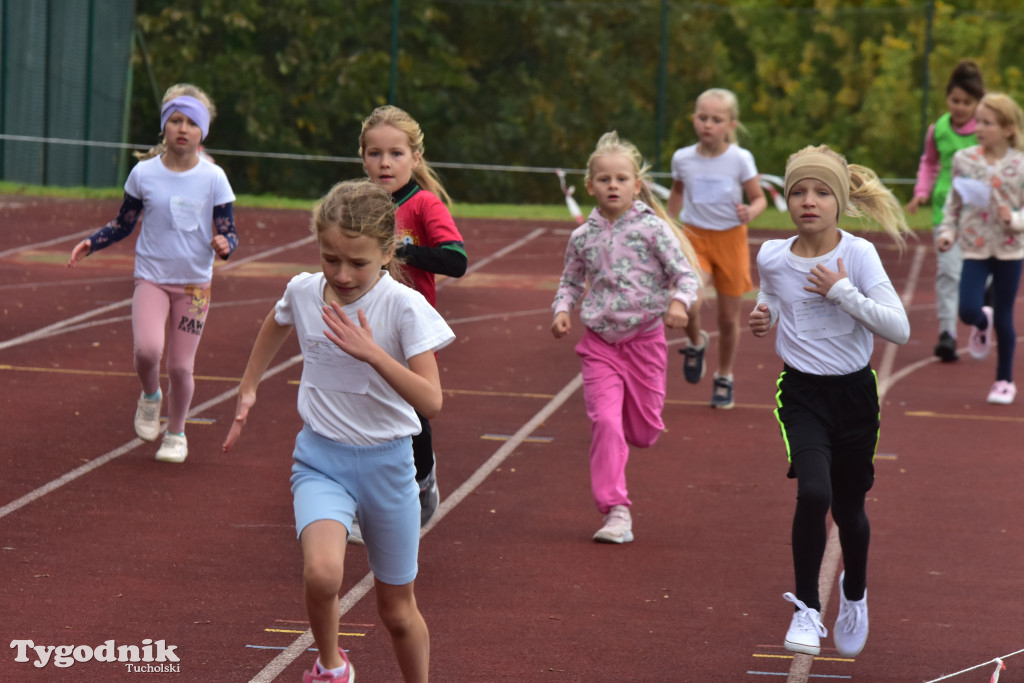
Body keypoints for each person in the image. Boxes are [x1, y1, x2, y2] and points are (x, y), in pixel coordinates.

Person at [223, 179, 454, 683]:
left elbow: (431, 401)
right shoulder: (306, 290)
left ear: (388, 252)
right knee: (322, 573)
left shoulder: (403, 307)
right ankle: (331, 665)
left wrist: (372, 352)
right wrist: (248, 386)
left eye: (358, 263)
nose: (342, 274)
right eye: (331, 259)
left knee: (396, 610)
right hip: (320, 460)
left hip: (390, 466)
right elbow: (277, 320)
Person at [749, 145, 911, 658]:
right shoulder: (772, 255)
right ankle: (806, 610)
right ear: (788, 201)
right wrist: (764, 315)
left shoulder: (858, 255)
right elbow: (773, 295)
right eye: (798, 191)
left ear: (839, 201)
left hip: (855, 395)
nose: (809, 201)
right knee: (813, 493)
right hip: (801, 393)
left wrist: (841, 290)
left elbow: (900, 329)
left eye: (821, 191)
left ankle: (854, 594)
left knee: (849, 510)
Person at [67, 83, 238, 463]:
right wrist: (92, 242)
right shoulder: (144, 173)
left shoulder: (214, 178)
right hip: (152, 278)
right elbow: (125, 223)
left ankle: (176, 433)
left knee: (180, 365)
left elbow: (228, 230)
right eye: (175, 120)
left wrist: (226, 245)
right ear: (164, 126)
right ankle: (149, 396)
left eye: (191, 122)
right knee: (147, 351)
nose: (182, 128)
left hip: (195, 285)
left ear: (202, 132)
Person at [552, 131, 700, 544]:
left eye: (621, 179)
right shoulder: (582, 237)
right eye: (604, 179)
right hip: (599, 343)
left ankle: (633, 442)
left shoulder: (652, 230)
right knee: (605, 422)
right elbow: (569, 281)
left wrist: (679, 305)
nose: (612, 185)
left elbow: (685, 275)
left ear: (637, 185)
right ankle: (616, 510)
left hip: (645, 341)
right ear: (590, 186)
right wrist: (563, 311)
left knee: (643, 432)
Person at [359, 105, 468, 534]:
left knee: (414, 410)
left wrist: (399, 250)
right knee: (361, 405)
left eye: (396, 154)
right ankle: (358, 501)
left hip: (408, 325)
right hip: (363, 319)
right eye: (375, 153)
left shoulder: (423, 204)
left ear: (414, 159)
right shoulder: (358, 202)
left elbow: (456, 261)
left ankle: (423, 478)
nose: (385, 163)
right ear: (363, 158)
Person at [667, 88, 767, 409]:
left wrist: (751, 212)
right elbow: (677, 193)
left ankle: (724, 376)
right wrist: (666, 226)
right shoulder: (683, 158)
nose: (708, 124)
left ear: (730, 125)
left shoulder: (740, 159)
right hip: (694, 239)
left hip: (731, 239)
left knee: (727, 318)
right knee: (690, 304)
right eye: (703, 118)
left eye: (716, 119)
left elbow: (759, 198)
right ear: (694, 119)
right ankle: (695, 342)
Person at [936, 92, 1024, 405]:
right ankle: (980, 324)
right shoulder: (965, 160)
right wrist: (948, 231)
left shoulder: (1020, 163)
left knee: (1005, 317)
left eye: (987, 123)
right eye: (979, 121)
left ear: (1008, 129)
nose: (979, 128)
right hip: (974, 246)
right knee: (969, 309)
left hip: (1010, 250)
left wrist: (1013, 218)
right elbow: (954, 201)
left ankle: (1004, 381)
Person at [905, 60, 985, 362]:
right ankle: (947, 334)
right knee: (949, 273)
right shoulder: (937, 128)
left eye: (967, 102)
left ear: (978, 103)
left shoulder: (987, 128)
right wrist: (921, 192)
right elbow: (929, 162)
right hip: (946, 212)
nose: (960, 107)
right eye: (955, 100)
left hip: (981, 213)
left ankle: (984, 300)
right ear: (947, 98)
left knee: (981, 272)